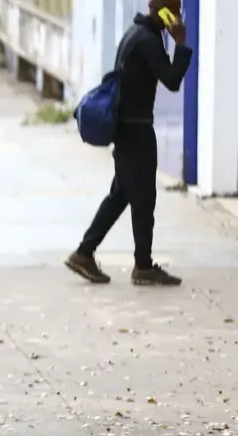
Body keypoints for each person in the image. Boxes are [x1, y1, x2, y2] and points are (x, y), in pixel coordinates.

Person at [65, 0, 191, 286]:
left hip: (127, 128)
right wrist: (181, 43)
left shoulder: (135, 33)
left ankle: (84, 252)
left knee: (122, 194)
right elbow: (172, 80)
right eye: (174, 8)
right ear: (161, 9)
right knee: (144, 199)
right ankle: (143, 267)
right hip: (136, 131)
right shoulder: (148, 41)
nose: (178, 15)